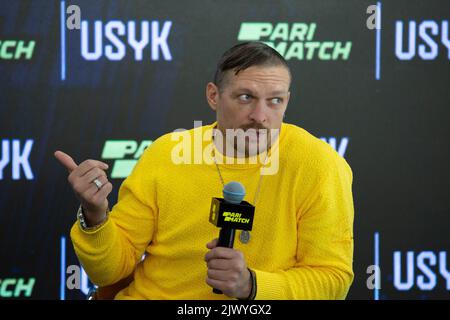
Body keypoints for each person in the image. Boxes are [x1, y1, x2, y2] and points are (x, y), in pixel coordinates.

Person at [54, 41, 354, 300]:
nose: (261, 116)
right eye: (245, 97)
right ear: (213, 96)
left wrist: (252, 285)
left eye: (274, 101)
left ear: (286, 101)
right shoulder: (168, 153)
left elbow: (333, 280)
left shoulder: (319, 164)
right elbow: (110, 270)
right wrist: (96, 216)